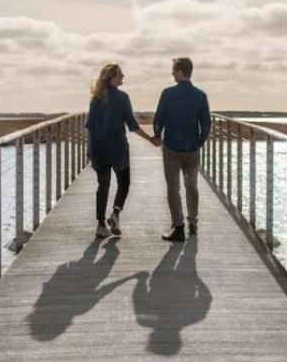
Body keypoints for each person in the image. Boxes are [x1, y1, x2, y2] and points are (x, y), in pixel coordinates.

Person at [86, 63, 157, 239]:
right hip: (118, 149)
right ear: (112, 77)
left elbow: (90, 127)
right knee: (124, 183)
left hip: (99, 148)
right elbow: (132, 125)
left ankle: (101, 225)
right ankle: (116, 213)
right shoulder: (123, 97)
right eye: (120, 74)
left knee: (103, 185)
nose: (123, 76)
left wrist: (89, 149)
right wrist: (150, 139)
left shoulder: (96, 98)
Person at [152, 57, 211, 242]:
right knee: (191, 185)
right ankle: (193, 222)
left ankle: (178, 227)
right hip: (191, 148)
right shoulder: (200, 95)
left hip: (171, 147)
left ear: (179, 72)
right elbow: (206, 124)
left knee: (173, 188)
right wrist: (199, 142)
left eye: (173, 70)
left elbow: (159, 118)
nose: (171, 73)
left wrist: (157, 135)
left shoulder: (168, 94)